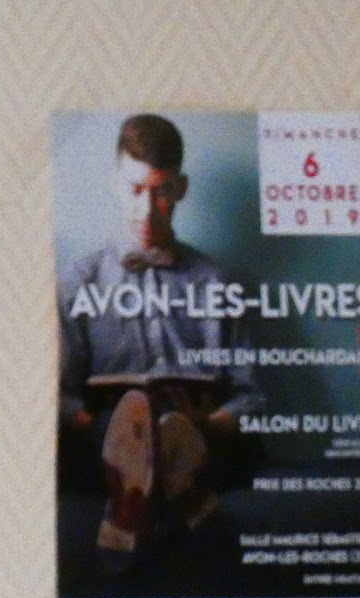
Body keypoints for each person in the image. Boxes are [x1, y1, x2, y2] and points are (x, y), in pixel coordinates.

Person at [57, 112, 263, 568]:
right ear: (116, 185)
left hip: (200, 436)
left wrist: (206, 424)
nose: (147, 210)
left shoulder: (218, 283)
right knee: (120, 433)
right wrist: (101, 426)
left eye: (161, 191)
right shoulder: (78, 280)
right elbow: (61, 397)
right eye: (135, 190)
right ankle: (179, 492)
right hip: (105, 440)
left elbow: (251, 397)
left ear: (181, 189)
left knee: (186, 437)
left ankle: (136, 503)